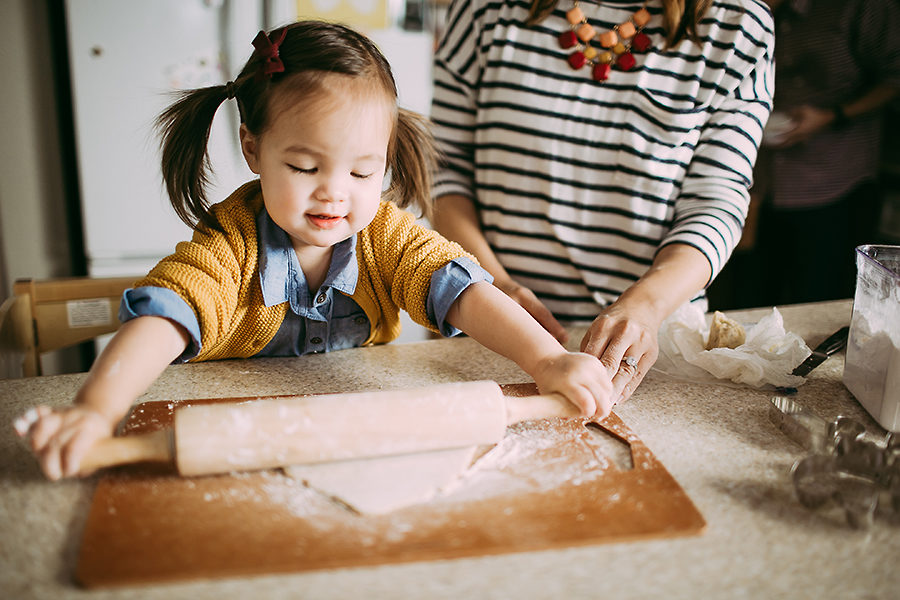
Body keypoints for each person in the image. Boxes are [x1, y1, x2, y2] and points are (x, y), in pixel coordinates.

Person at [15, 21, 613, 481]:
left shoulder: (384, 234)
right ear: (253, 150)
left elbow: (459, 289)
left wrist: (547, 362)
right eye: (305, 166)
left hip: (348, 437)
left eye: (363, 170)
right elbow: (168, 313)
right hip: (232, 438)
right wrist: (95, 410)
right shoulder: (229, 249)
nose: (335, 192)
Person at [429, 0, 775, 404]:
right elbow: (441, 174)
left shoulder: (736, 26)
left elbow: (716, 202)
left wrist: (645, 306)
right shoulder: (484, 9)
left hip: (648, 348)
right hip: (491, 329)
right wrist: (496, 288)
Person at [731, 0, 900, 307]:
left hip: (833, 179)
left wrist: (834, 115)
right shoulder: (750, 12)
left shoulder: (860, 8)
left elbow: (894, 77)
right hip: (760, 180)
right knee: (751, 300)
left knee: (818, 297)